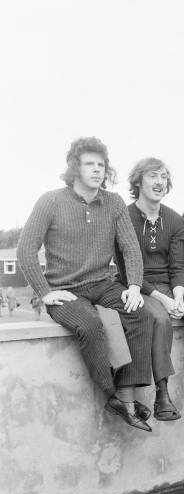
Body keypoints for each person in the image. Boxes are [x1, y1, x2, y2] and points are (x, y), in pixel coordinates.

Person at [16, 136, 154, 432]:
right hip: (65, 290)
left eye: (101, 165)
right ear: (74, 168)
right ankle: (112, 395)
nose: (96, 170)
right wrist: (45, 292)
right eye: (89, 164)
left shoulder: (114, 202)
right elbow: (25, 249)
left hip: (103, 284)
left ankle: (127, 394)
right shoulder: (51, 201)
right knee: (90, 325)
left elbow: (130, 248)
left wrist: (133, 286)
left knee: (141, 314)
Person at [116, 157, 184, 419]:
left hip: (170, 286)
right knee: (160, 319)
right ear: (138, 181)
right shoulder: (125, 217)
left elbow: (178, 267)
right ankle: (162, 395)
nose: (159, 182)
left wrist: (178, 294)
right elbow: (125, 269)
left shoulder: (175, 220)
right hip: (138, 287)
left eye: (164, 177)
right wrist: (164, 301)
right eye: (153, 176)